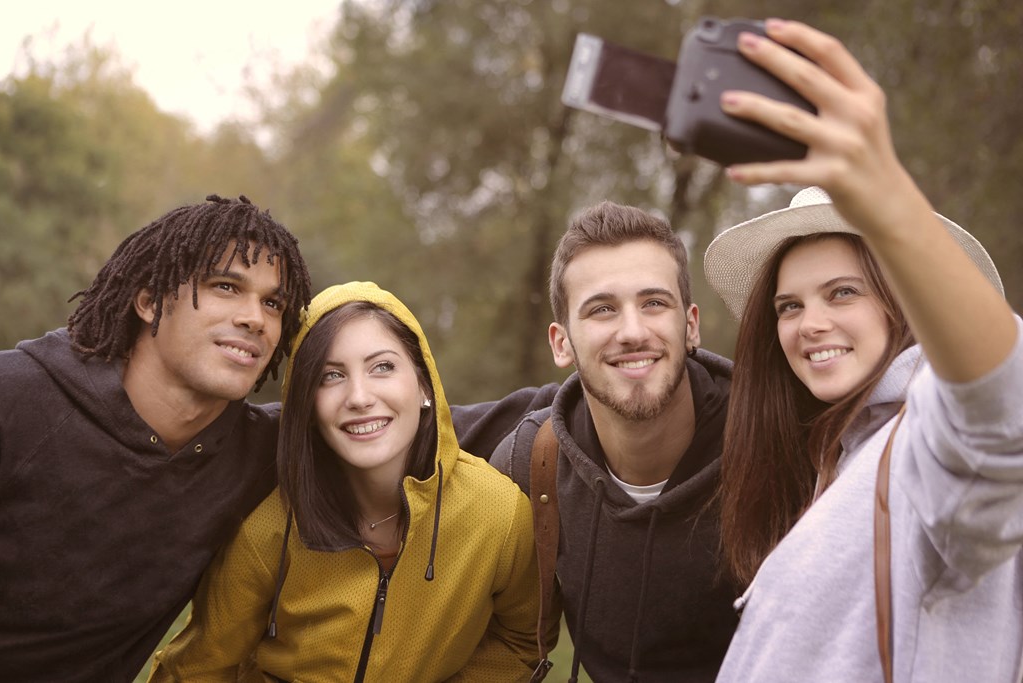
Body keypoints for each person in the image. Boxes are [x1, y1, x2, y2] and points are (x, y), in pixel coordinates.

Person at [701, 19, 1022, 682]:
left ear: (901, 304)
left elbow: (1001, 416)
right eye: (789, 306)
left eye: (842, 292)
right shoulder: (836, 462)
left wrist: (886, 198)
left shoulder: (931, 450)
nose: (810, 323)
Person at [148, 281, 544, 682]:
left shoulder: (500, 513)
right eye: (331, 376)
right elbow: (197, 668)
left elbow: (523, 640)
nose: (358, 397)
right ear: (307, 404)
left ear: (424, 384)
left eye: (382, 367)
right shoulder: (269, 527)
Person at [0, 195, 313, 683]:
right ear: (149, 302)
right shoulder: (15, 397)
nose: (256, 318)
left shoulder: (262, 454)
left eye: (273, 303)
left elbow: (414, 437)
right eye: (226, 286)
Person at [469, 201, 739, 682]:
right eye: (602, 309)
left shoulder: (775, 442)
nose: (632, 332)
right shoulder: (533, 461)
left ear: (691, 325)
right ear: (562, 343)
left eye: (654, 303)